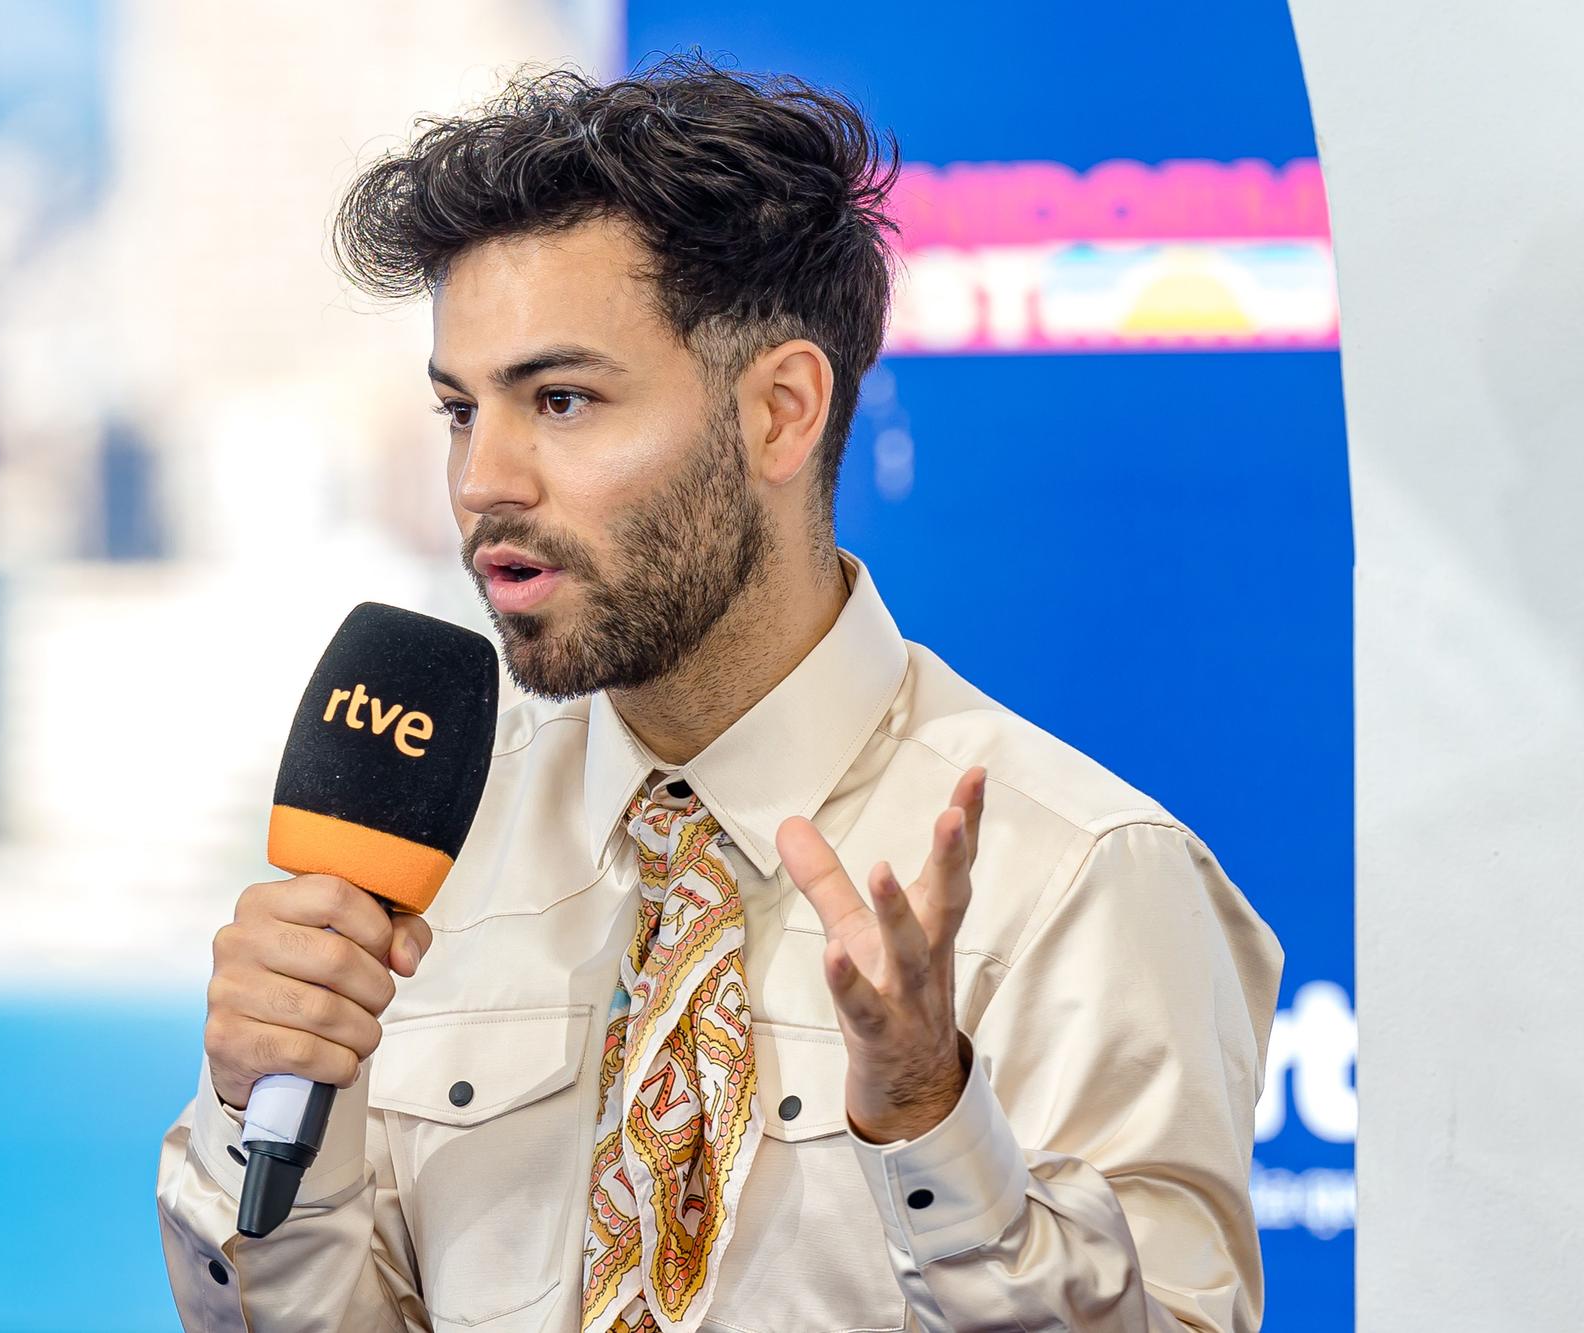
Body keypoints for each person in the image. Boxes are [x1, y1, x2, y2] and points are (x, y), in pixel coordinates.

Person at [157, 56, 1281, 1333]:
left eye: (562, 400)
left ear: (781, 411)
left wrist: (930, 1126)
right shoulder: (423, 851)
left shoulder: (1080, 873)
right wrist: (255, 1113)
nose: (482, 480)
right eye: (461, 410)